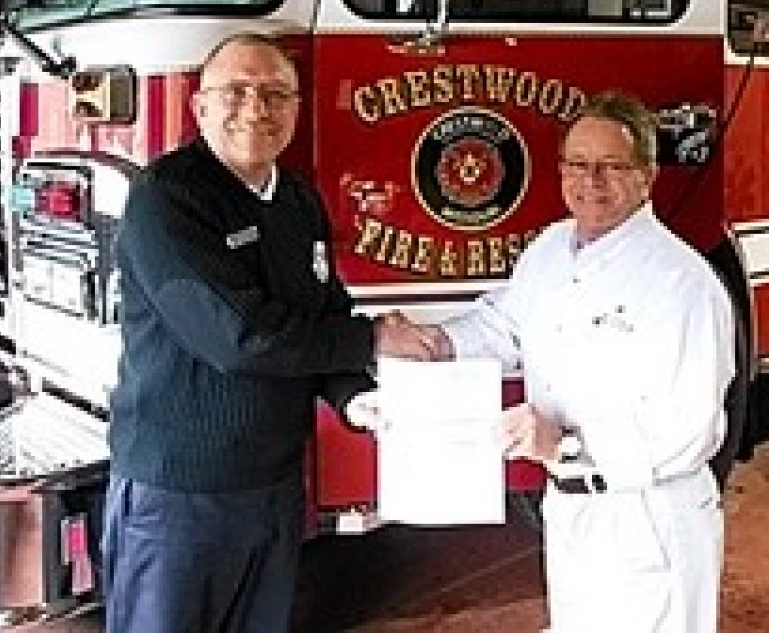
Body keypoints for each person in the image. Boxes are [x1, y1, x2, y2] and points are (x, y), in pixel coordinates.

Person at [102, 31, 449, 633]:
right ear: (200, 107)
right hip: (182, 492)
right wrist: (370, 341)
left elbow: (322, 311)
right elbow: (240, 338)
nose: (255, 110)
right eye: (235, 92)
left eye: (274, 95)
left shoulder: (295, 200)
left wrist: (354, 397)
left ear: (295, 108)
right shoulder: (167, 200)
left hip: (275, 484)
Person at [440, 91, 735, 633]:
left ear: (647, 175)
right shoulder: (553, 248)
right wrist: (434, 343)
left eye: (611, 167)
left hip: (648, 520)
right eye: (577, 165)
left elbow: (688, 429)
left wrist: (566, 445)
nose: (591, 181)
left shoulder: (683, 284)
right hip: (571, 510)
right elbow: (502, 326)